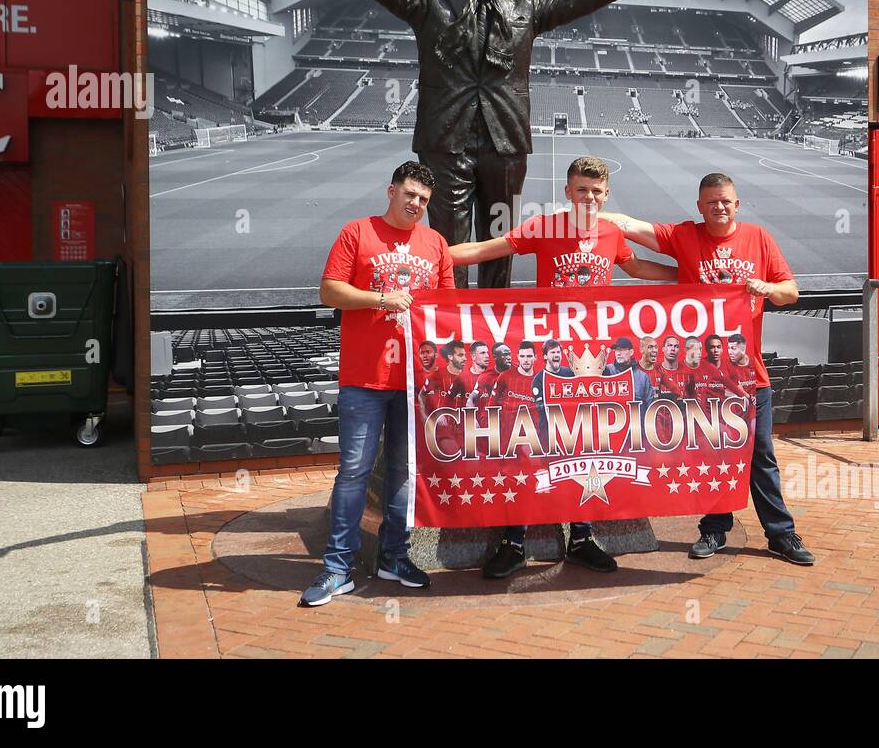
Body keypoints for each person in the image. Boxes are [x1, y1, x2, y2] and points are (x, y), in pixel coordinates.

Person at [306, 0, 669, 289]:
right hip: (446, 142)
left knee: (501, 239)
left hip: (505, 142)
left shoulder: (525, 1)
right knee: (449, 243)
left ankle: (492, 324)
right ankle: (451, 323)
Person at [450, 155, 675, 578]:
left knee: (588, 445)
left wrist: (688, 275)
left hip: (594, 364)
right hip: (548, 360)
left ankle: (582, 538)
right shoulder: (544, 227)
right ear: (567, 192)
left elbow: (637, 266)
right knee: (531, 447)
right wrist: (433, 259)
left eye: (596, 191)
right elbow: (486, 249)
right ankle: (514, 541)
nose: (589, 197)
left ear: (606, 195)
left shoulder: (611, 232)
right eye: (581, 190)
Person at [601, 172, 815, 566]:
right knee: (712, 454)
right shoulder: (684, 236)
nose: (719, 206)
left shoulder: (759, 239)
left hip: (750, 376)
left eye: (726, 201)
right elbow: (629, 226)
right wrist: (585, 209)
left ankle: (781, 534)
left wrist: (765, 288)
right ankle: (715, 528)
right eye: (711, 201)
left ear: (737, 204)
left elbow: (791, 292)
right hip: (702, 378)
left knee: (760, 454)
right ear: (700, 206)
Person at [300, 161, 455, 607]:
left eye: (424, 200)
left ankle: (394, 555)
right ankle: (337, 568)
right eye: (409, 195)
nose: (416, 205)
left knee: (405, 474)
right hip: (365, 377)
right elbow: (330, 291)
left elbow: (447, 305)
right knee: (353, 473)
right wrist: (381, 298)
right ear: (391, 191)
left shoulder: (435, 243)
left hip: (415, 382)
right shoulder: (358, 232)